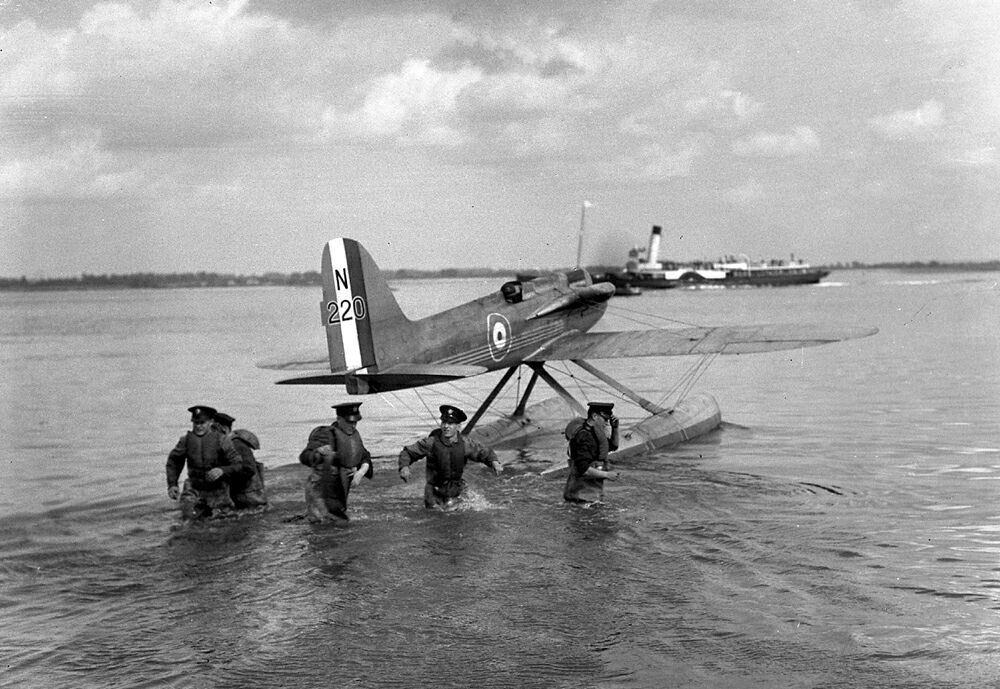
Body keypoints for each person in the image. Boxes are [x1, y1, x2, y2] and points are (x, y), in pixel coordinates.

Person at [398, 404, 503, 509]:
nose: (446, 426)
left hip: (456, 488)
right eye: (444, 422)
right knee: (435, 516)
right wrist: (404, 467)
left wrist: (494, 462)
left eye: (450, 423)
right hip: (434, 491)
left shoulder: (465, 444)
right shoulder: (430, 443)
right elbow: (408, 452)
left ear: (458, 426)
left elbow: (483, 452)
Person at [166, 405, 251, 519]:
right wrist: (172, 484)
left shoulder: (222, 440)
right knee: (188, 519)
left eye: (202, 423)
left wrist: (222, 470)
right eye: (196, 423)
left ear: (211, 422)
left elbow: (238, 464)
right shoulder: (185, 440)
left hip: (217, 489)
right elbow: (174, 461)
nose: (199, 426)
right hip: (194, 488)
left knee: (223, 521)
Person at [299, 402, 373, 522]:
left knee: (338, 519)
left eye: (355, 422)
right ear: (339, 419)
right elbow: (305, 457)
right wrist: (318, 453)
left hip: (340, 487)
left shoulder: (352, 437)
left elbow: (365, 457)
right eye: (349, 422)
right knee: (323, 523)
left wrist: (360, 473)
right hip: (321, 489)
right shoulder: (325, 435)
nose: (353, 426)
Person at [564, 401, 621, 504]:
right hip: (580, 497)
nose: (606, 423)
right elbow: (583, 469)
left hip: (588, 496)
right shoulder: (585, 436)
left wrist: (615, 428)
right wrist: (607, 475)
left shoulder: (594, 433)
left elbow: (613, 446)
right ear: (594, 416)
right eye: (605, 419)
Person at [213, 411, 267, 509]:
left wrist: (223, 471)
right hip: (239, 503)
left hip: (251, 504)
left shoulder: (236, 444)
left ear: (222, 429)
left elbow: (248, 470)